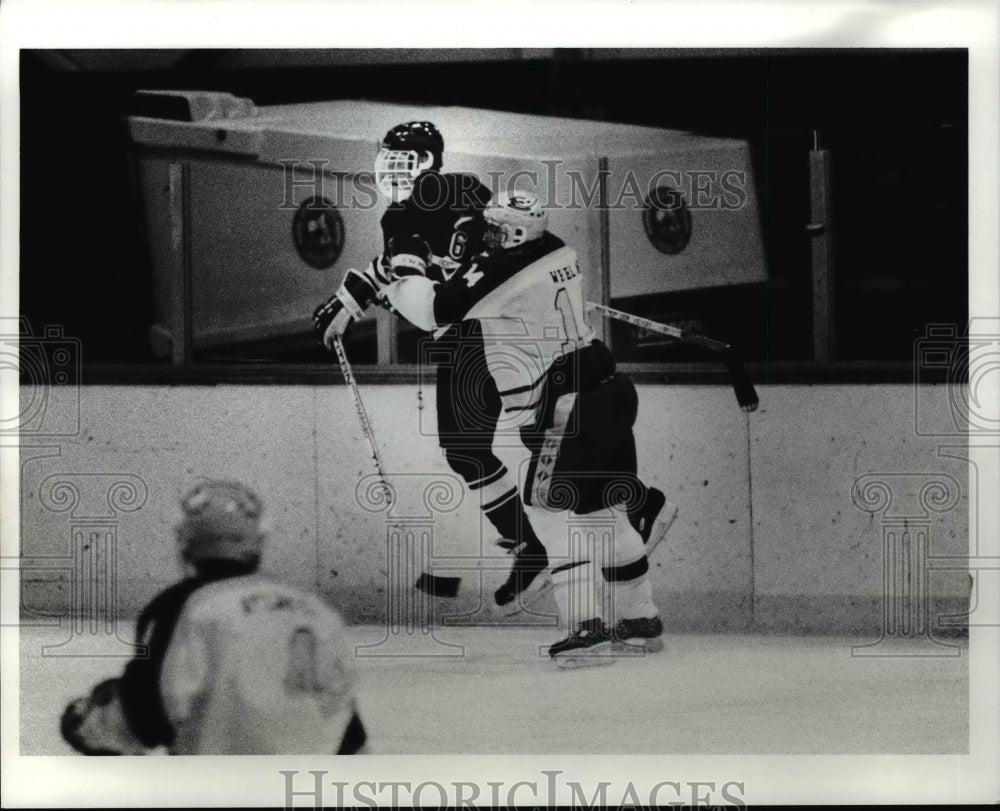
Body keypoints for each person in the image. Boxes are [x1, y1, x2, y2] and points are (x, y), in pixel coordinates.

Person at [374, 191, 670, 666]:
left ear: (514, 233)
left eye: (495, 228)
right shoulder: (557, 247)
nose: (485, 236)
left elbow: (432, 313)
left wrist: (404, 269)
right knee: (603, 513)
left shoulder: (502, 272)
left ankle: (586, 631)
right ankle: (641, 621)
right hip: (610, 389)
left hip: (568, 405)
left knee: (548, 512)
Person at [312, 121, 552, 611]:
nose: (393, 172)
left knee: (488, 444)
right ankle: (538, 546)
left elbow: (415, 287)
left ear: (426, 163)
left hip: (472, 335)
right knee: (487, 444)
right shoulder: (466, 186)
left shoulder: (399, 216)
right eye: (389, 162)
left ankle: (571, 538)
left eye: (404, 162)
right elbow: (440, 260)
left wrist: (356, 298)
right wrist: (357, 293)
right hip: (509, 325)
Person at [60, 480, 367, 755]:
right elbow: (349, 732)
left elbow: (147, 720)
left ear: (187, 542)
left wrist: (88, 721)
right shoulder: (313, 608)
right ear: (257, 542)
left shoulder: (180, 605)